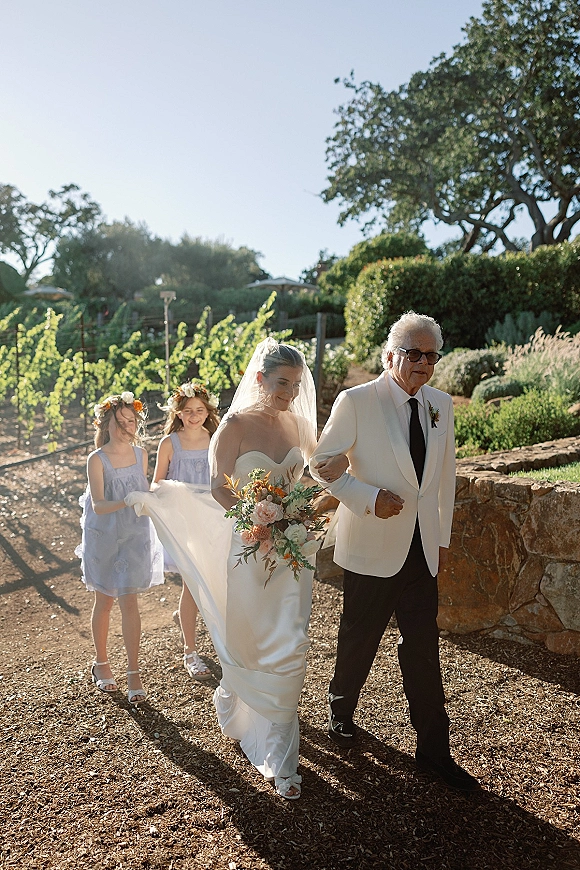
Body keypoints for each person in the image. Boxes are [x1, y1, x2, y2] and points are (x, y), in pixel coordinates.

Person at [126, 339, 322, 799]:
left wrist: (303, 510)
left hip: (293, 551)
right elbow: (219, 487)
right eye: (281, 384)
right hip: (250, 546)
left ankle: (282, 754)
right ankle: (237, 697)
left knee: (291, 641)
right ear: (260, 379)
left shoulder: (299, 424)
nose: (289, 394)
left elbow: (319, 469)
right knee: (250, 635)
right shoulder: (233, 426)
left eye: (295, 385)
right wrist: (256, 519)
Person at [311, 311, 479, 792]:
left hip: (422, 549)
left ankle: (434, 750)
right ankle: (340, 713)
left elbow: (443, 480)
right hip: (371, 544)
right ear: (390, 356)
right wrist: (366, 498)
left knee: (423, 648)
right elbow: (320, 463)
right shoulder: (357, 400)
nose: (424, 363)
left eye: (432, 355)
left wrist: (441, 540)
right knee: (359, 638)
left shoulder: (440, 405)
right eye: (414, 353)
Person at [76, 391, 164, 705]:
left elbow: (145, 488)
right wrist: (126, 501)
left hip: (135, 533)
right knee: (105, 600)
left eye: (131, 421)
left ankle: (133, 673)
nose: (127, 427)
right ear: (105, 423)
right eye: (120, 421)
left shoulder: (141, 454)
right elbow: (98, 505)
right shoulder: (96, 459)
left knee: (130, 602)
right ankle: (101, 664)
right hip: (105, 534)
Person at [154, 381, 220, 680]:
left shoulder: (215, 439)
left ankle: (186, 618)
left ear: (208, 412)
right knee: (192, 584)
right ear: (178, 413)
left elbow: (223, 479)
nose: (194, 416)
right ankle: (190, 651)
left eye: (200, 410)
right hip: (183, 522)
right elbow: (157, 482)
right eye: (188, 411)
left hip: (210, 518)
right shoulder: (170, 444)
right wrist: (176, 494)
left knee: (212, 581)